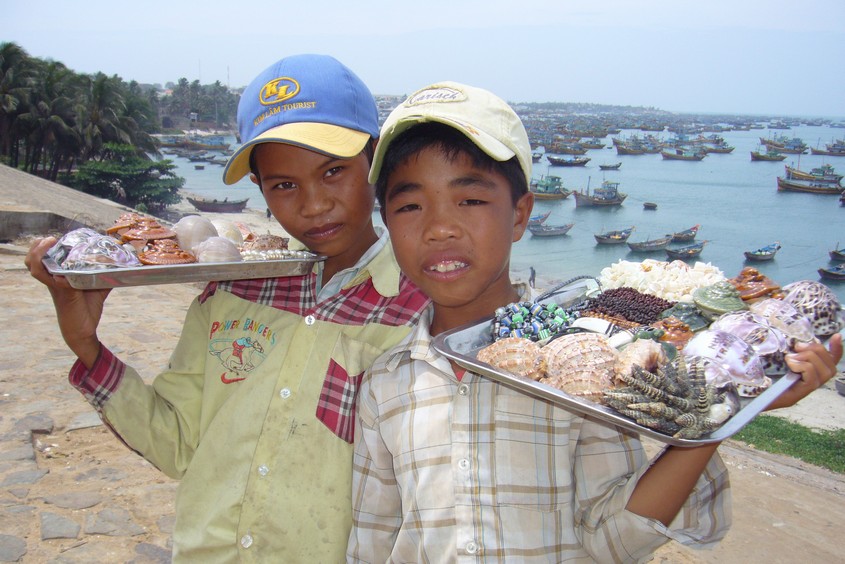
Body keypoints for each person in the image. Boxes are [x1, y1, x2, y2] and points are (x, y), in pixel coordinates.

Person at [346, 81, 843, 562]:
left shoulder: (587, 364)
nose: (439, 228)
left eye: (470, 200)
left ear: (520, 214)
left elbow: (615, 542)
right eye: (410, 205)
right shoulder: (386, 384)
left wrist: (720, 417)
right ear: (387, 222)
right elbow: (373, 540)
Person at [25, 54, 429, 562]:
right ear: (260, 188)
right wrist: (85, 345)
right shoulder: (230, 294)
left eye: (333, 172)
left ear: (376, 162)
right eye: (284, 185)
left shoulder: (418, 311)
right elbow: (177, 444)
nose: (313, 204)